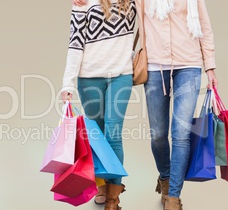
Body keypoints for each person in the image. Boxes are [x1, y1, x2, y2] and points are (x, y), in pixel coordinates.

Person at [71, 0, 219, 210]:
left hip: (189, 66)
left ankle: (173, 196)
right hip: (155, 68)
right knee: (158, 134)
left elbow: (204, 27)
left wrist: (210, 66)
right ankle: (165, 177)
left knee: (181, 133)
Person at [60, 0, 137, 209]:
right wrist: (68, 83)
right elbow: (75, 43)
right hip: (89, 78)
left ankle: (113, 196)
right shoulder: (83, 2)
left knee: (113, 133)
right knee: (97, 136)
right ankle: (101, 185)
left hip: (121, 75)